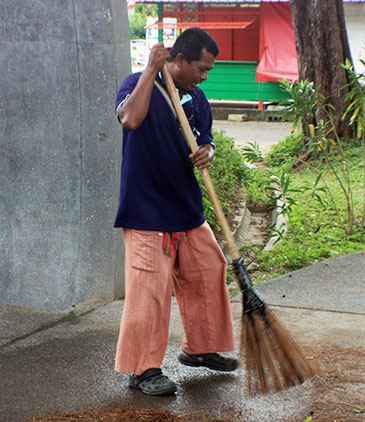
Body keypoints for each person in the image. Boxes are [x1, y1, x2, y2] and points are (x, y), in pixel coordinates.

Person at [114, 27, 237, 396]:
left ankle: (200, 349)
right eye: (202, 67)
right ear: (178, 60)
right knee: (149, 290)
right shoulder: (138, 84)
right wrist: (151, 70)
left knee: (208, 268)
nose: (204, 75)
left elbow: (207, 140)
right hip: (146, 209)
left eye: (208, 70)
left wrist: (208, 152)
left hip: (186, 206)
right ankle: (143, 369)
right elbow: (129, 120)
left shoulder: (196, 99)